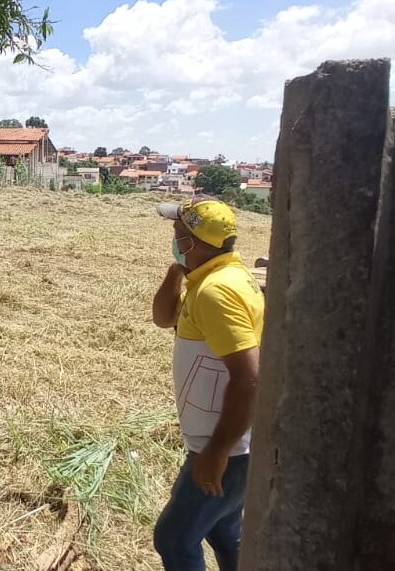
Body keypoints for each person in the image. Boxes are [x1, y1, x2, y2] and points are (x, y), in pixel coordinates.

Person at [150, 196, 264, 571]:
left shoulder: (217, 293)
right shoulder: (210, 279)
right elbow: (164, 318)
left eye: (177, 234)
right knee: (224, 529)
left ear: (192, 243)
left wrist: (216, 451)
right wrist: (177, 270)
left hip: (227, 447)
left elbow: (249, 378)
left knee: (174, 537)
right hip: (226, 443)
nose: (172, 237)